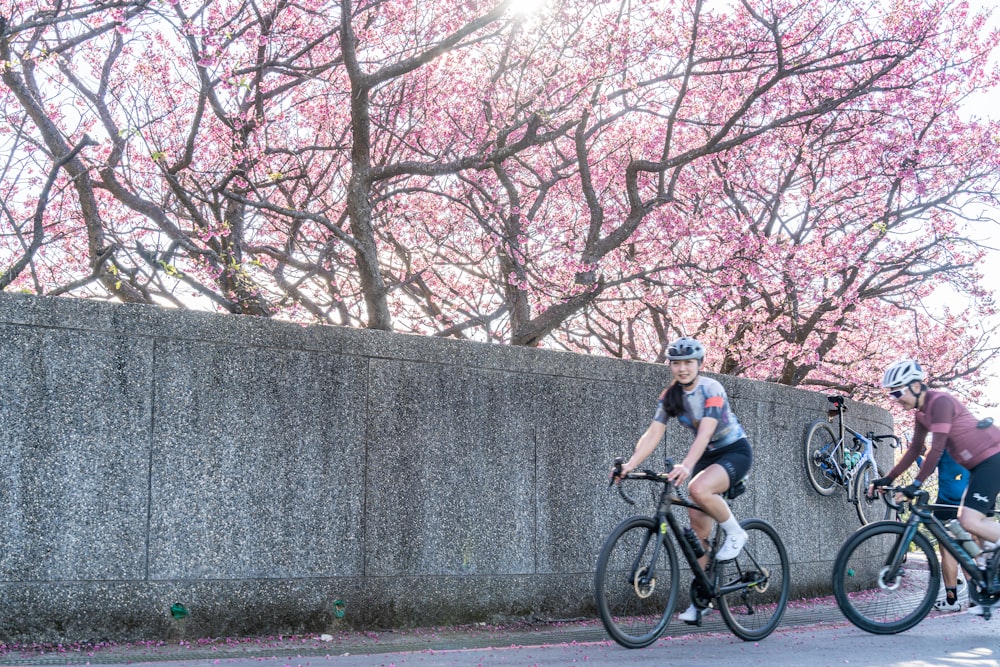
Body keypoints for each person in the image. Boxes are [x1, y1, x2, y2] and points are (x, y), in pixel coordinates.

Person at [614, 336, 753, 624]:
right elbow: (653, 434)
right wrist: (629, 464)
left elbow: (706, 432)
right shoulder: (670, 396)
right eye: (676, 363)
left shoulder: (712, 388)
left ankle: (736, 533)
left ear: (699, 364)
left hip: (734, 451)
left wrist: (687, 465)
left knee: (697, 488)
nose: (682, 368)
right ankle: (703, 597)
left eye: (689, 362)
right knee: (697, 532)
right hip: (706, 457)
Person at [871, 359, 1000, 616]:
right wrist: (889, 479)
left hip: (991, 458)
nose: (895, 398)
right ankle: (989, 584)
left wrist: (916, 484)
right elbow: (915, 449)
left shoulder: (939, 403)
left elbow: (936, 448)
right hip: (977, 467)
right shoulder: (921, 414)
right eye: (891, 393)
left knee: (969, 521)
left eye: (898, 392)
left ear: (917, 385)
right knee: (966, 525)